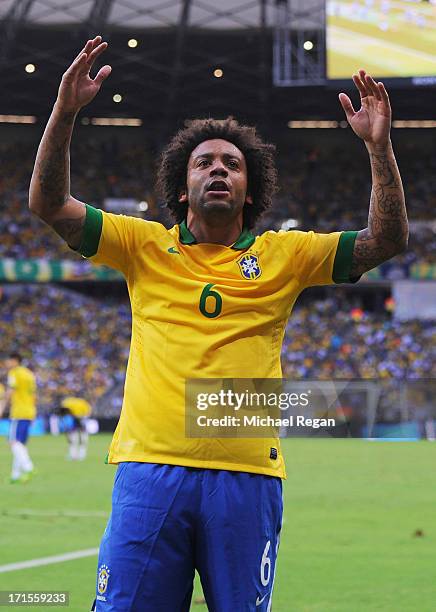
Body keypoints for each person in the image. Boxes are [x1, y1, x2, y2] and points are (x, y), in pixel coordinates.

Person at [29, 36, 408, 611]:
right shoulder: (142, 246)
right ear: (182, 188)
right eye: (203, 162)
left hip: (246, 476)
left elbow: (386, 240)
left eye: (232, 164)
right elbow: (50, 203)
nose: (218, 170)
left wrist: (379, 149)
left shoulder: (287, 255)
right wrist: (65, 111)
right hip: (150, 474)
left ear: (248, 188)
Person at [0, 353, 37, 483]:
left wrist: (1, 408)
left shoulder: (14, 373)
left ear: (15, 361)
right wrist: (34, 413)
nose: (7, 363)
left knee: (13, 442)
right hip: (29, 412)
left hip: (18, 412)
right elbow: (33, 395)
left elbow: (10, 392)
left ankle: (28, 467)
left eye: (8, 360)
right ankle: (15, 475)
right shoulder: (29, 374)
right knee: (20, 444)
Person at [60, 396, 92, 461]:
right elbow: (88, 412)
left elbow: (63, 411)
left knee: (72, 439)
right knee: (82, 439)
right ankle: (81, 455)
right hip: (81, 419)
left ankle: (73, 455)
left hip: (74, 420)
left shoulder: (68, 401)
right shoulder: (83, 402)